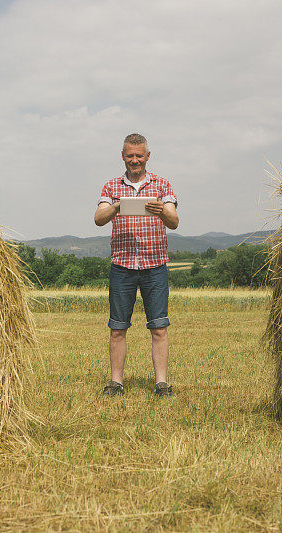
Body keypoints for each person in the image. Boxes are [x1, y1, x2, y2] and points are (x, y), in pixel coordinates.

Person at [94, 133, 179, 397]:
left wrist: (161, 209)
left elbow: (174, 221)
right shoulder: (111, 187)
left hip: (154, 266)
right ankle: (116, 382)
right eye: (130, 155)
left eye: (139, 155)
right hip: (122, 266)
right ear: (122, 156)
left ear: (147, 156)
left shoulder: (162, 185)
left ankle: (161, 384)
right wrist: (118, 206)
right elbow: (99, 218)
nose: (134, 160)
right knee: (117, 327)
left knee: (159, 327)